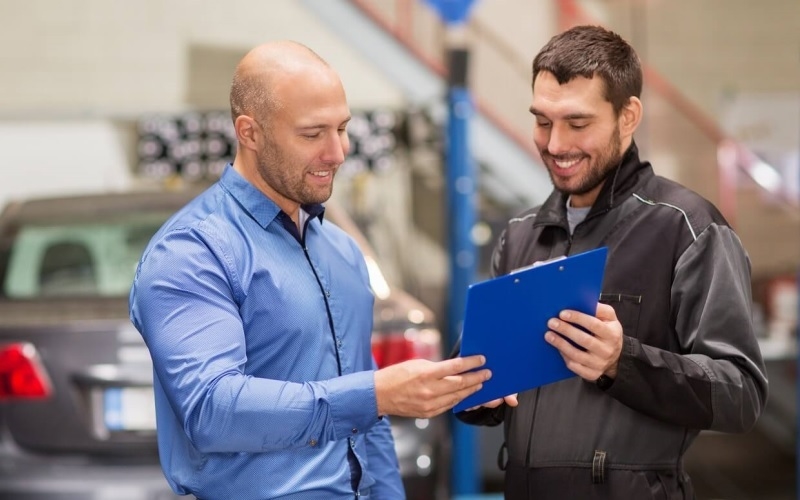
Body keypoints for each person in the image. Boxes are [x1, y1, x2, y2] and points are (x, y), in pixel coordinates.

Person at [129, 40, 491, 500]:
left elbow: (368, 426)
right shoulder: (193, 250)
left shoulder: (342, 251)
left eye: (342, 128)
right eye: (312, 133)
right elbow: (212, 410)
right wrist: (373, 394)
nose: (337, 152)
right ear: (250, 132)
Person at [455, 25, 768, 499]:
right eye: (542, 121)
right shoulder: (521, 235)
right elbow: (483, 382)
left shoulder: (688, 229)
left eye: (577, 124)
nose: (555, 144)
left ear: (628, 116)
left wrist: (624, 362)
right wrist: (476, 389)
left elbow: (741, 394)